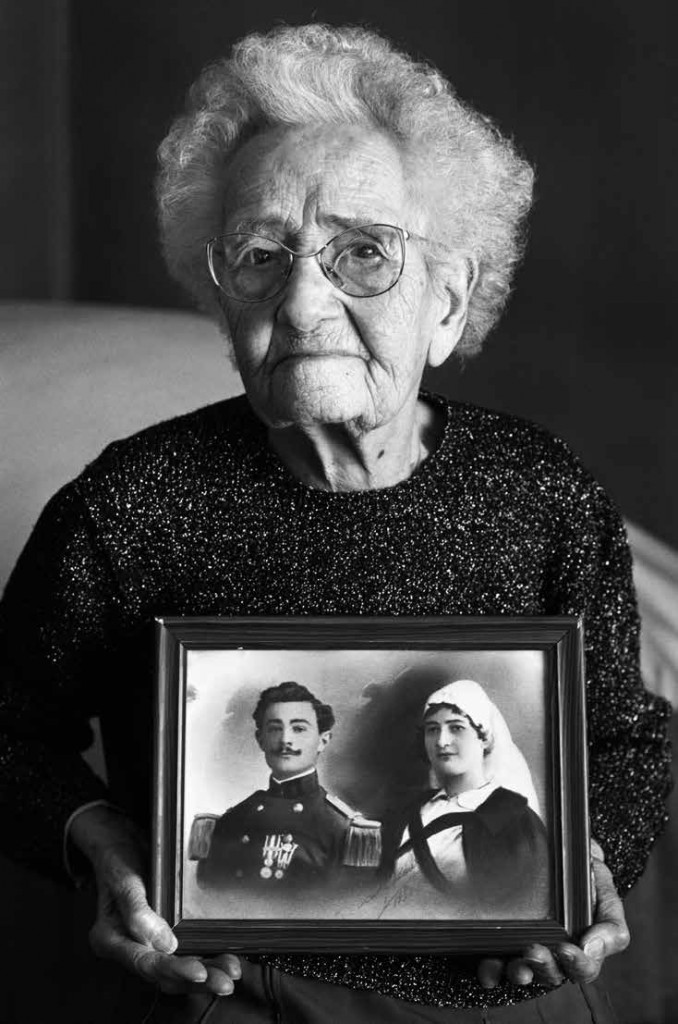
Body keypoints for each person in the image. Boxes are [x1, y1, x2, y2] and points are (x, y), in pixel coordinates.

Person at [0, 21, 671, 1024]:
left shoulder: (544, 493)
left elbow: (626, 738)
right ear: (222, 299)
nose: (305, 298)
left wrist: (591, 866)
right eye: (263, 254)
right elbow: (8, 731)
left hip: (506, 990)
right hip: (235, 994)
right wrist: (103, 845)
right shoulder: (128, 504)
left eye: (363, 252)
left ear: (448, 299)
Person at [379, 680, 550, 918]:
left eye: (456, 728)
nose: (441, 741)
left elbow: (525, 907)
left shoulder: (513, 817)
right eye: (432, 729)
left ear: (485, 738)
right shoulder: (407, 811)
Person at [192, 681, 381, 891]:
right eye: (274, 729)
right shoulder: (231, 821)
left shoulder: (345, 830)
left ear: (323, 741)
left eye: (298, 728)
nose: (285, 740)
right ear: (260, 739)